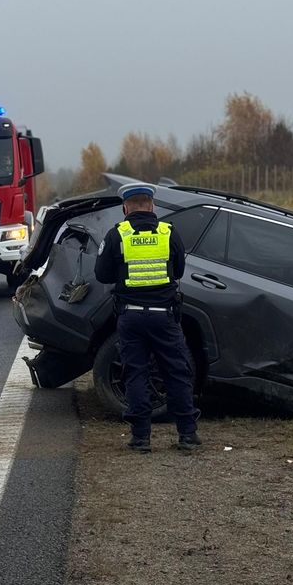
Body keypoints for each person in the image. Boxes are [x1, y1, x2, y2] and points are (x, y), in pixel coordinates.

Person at [95, 183, 200, 452]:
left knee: (135, 374)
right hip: (165, 318)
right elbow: (177, 272)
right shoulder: (168, 233)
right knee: (177, 373)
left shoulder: (117, 235)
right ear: (152, 206)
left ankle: (141, 438)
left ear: (125, 208)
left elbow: (102, 275)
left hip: (131, 319)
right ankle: (187, 435)